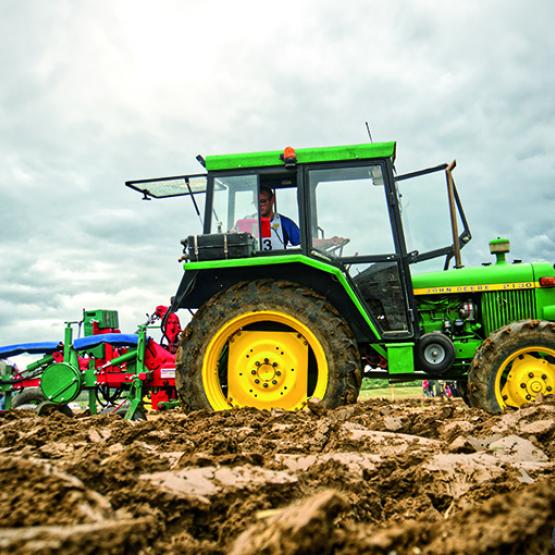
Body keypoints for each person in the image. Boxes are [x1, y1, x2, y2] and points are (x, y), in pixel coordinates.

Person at [258, 186, 300, 251]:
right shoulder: (247, 224)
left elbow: (303, 241)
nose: (259, 205)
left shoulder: (285, 223)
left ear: (272, 200)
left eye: (263, 201)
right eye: (256, 202)